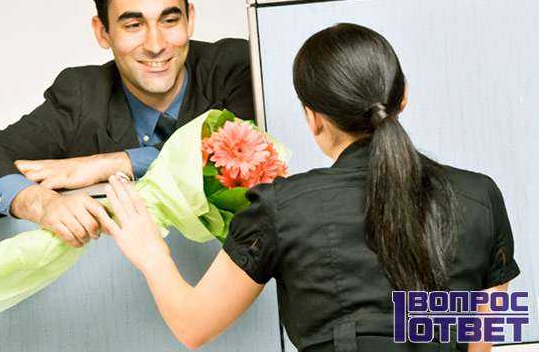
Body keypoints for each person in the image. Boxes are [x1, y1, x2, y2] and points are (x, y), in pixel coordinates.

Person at [94, 23, 520, 352]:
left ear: (313, 118)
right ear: (403, 97)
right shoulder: (481, 195)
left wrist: (151, 253)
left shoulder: (282, 207)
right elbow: (482, 342)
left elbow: (193, 326)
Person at [0, 0, 253, 248]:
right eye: (133, 25)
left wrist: (115, 163)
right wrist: (40, 203)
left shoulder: (236, 66)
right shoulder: (81, 96)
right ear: (103, 31)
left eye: (169, 20)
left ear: (190, 18)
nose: (156, 44)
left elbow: (250, 151)